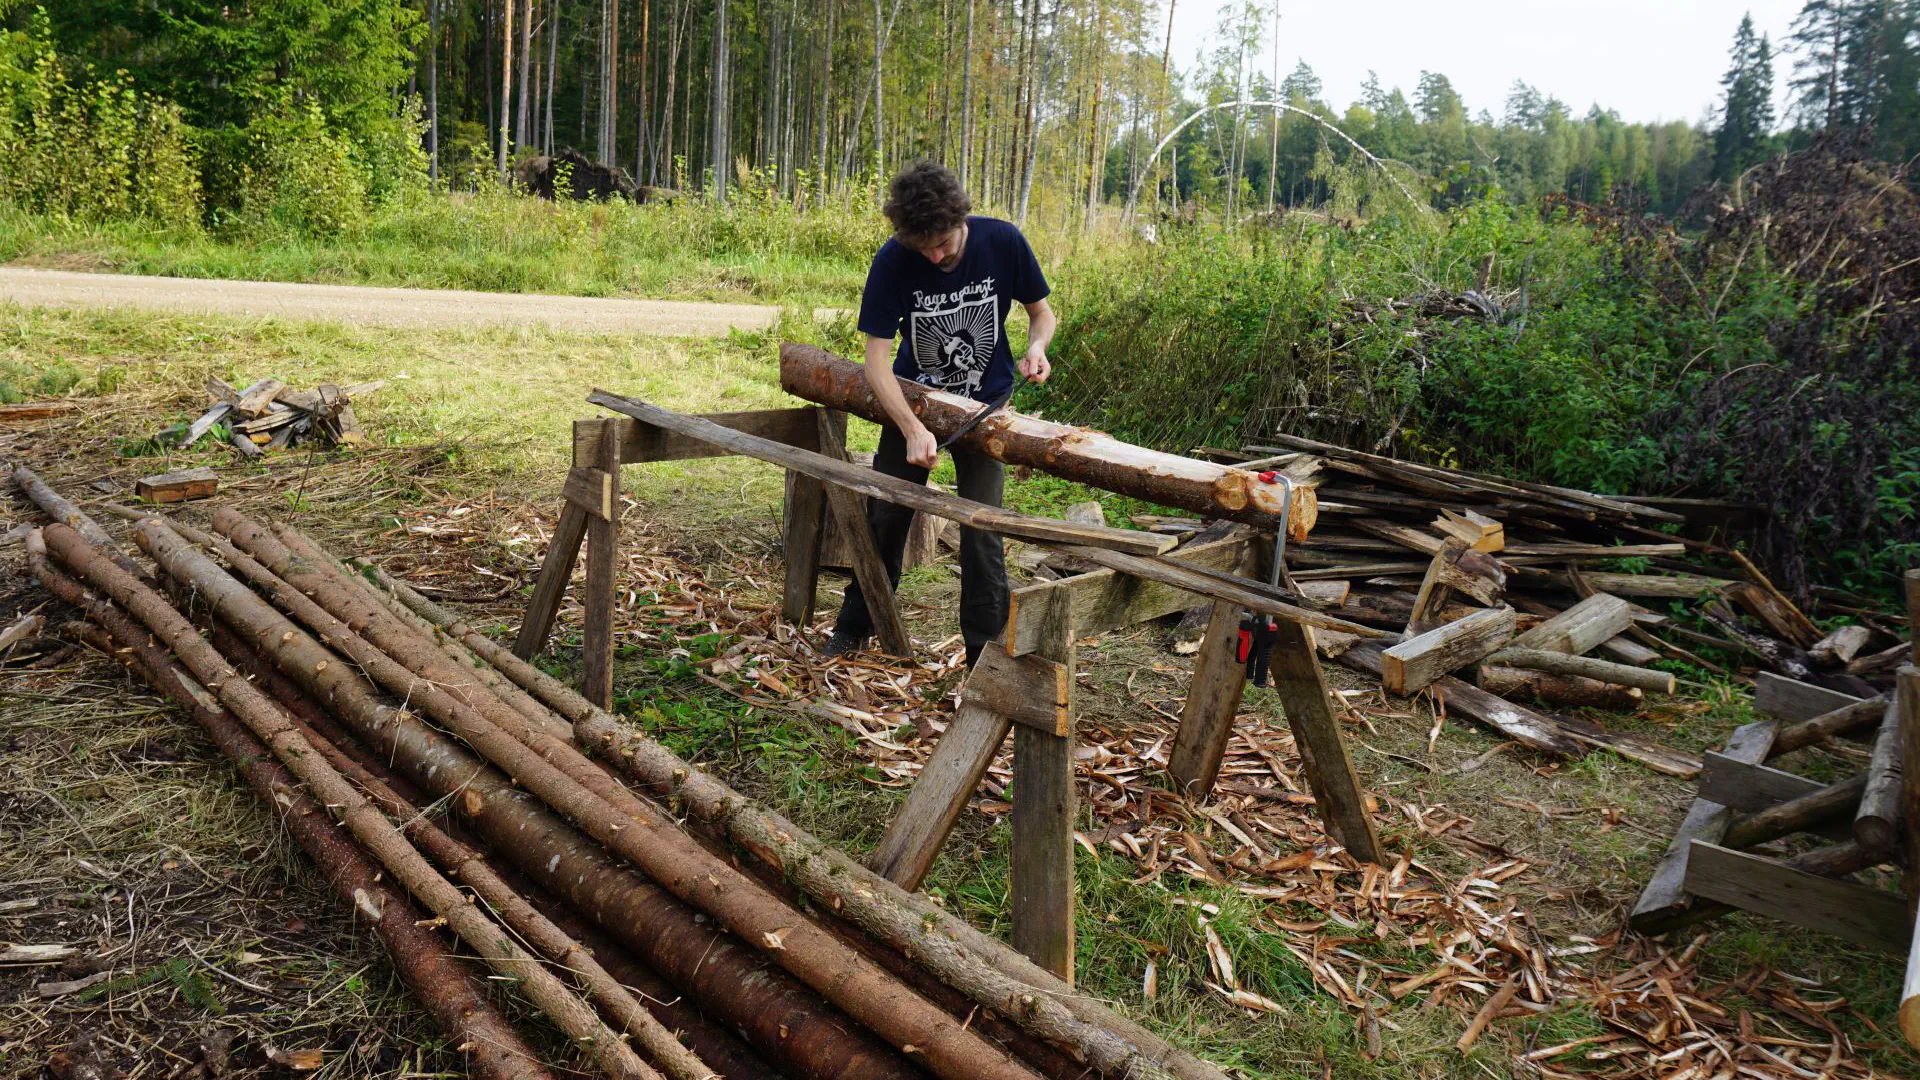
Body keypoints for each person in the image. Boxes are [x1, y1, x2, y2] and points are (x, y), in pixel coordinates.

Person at [823, 161, 1056, 667]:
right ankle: (856, 624)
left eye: (944, 243)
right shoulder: (892, 261)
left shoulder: (1003, 242)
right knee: (885, 515)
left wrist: (1037, 348)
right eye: (922, 246)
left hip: (983, 411)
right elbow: (876, 362)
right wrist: (910, 427)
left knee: (982, 532)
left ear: (961, 219)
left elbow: (1042, 312)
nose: (934, 254)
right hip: (914, 401)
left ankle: (982, 655)